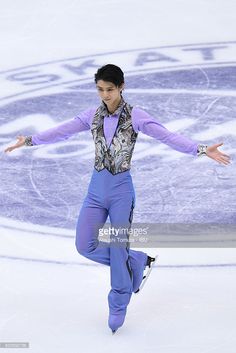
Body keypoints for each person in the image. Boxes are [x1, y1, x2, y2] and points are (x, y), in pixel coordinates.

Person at [4, 64, 231, 334]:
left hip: (121, 192)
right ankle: (136, 261)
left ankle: (118, 303)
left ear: (121, 87)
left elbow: (168, 136)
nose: (105, 95)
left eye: (109, 89)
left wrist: (202, 149)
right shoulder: (92, 115)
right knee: (84, 245)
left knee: (116, 246)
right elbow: (61, 131)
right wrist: (29, 140)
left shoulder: (136, 116)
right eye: (100, 89)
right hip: (95, 191)